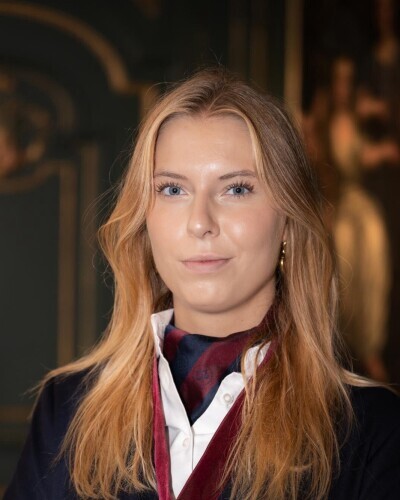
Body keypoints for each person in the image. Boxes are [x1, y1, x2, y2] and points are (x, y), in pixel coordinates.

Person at [5, 68, 400, 500]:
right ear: (144, 219)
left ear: (289, 218)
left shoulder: (373, 431)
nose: (199, 222)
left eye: (237, 189)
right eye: (173, 190)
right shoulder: (66, 411)